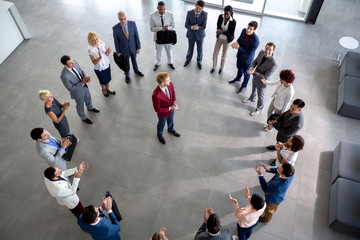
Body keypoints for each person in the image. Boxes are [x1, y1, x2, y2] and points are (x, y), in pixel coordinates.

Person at [60, 55, 100, 124]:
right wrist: (82, 82)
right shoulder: (64, 76)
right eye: (70, 63)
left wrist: (85, 77)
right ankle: (83, 117)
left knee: (88, 97)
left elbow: (80, 70)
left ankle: (90, 107)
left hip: (84, 86)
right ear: (65, 65)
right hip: (77, 92)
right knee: (80, 105)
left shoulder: (74, 62)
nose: (73, 63)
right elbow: (70, 88)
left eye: (72, 61)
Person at [242, 42, 277, 116]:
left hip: (262, 81)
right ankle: (252, 98)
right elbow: (255, 61)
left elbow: (265, 77)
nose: (267, 51)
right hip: (254, 75)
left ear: (273, 51)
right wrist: (252, 66)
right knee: (254, 88)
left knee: (261, 96)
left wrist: (254, 72)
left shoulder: (273, 64)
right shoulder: (261, 52)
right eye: (266, 49)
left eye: (270, 50)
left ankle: (259, 108)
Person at [113, 11, 144, 84]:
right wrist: (118, 51)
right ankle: (127, 74)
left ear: (126, 18)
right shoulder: (115, 28)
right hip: (124, 49)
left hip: (133, 47)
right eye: (121, 19)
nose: (123, 21)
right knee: (126, 62)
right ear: (118, 19)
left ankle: (136, 70)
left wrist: (138, 47)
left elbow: (136, 36)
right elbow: (116, 41)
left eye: (124, 19)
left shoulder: (132, 24)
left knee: (134, 59)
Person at [229, 21, 260, 93]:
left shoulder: (256, 41)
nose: (248, 30)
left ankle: (244, 85)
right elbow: (239, 39)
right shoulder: (243, 31)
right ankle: (238, 78)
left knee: (246, 74)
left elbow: (249, 52)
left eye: (250, 29)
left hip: (247, 60)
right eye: (248, 28)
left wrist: (238, 47)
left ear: (254, 30)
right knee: (239, 68)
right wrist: (236, 43)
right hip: (239, 55)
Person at [152, 72, 180, 145]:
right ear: (162, 83)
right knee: (162, 123)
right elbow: (157, 109)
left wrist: (174, 102)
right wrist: (170, 107)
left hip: (171, 108)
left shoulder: (170, 84)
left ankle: (171, 129)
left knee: (171, 120)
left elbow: (173, 92)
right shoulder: (156, 95)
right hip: (163, 113)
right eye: (168, 80)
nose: (170, 81)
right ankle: (159, 134)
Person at [87, 32, 115, 97]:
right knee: (102, 81)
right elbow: (94, 62)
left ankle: (107, 88)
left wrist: (108, 51)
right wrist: (100, 57)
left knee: (108, 79)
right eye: (93, 40)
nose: (96, 41)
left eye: (96, 39)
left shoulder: (102, 43)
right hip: (99, 68)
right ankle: (104, 89)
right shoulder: (90, 50)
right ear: (90, 40)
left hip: (106, 65)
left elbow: (106, 54)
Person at [150, 1, 175, 71]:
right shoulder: (152, 15)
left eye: (164, 9)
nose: (163, 11)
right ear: (157, 8)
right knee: (158, 52)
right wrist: (161, 28)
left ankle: (170, 62)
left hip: (168, 37)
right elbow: (151, 28)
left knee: (169, 51)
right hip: (158, 38)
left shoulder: (170, 14)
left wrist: (167, 28)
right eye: (161, 9)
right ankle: (158, 63)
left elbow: (173, 26)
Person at [211, 5, 236, 74]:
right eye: (224, 13)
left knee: (223, 55)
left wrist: (223, 32)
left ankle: (221, 68)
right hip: (219, 38)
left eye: (227, 14)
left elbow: (231, 34)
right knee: (215, 53)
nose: (225, 15)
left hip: (227, 40)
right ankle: (213, 67)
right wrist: (218, 30)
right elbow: (218, 25)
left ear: (231, 13)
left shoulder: (233, 22)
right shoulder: (220, 16)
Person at [184, 0, 208, 70]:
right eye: (197, 8)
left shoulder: (205, 14)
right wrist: (192, 27)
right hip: (191, 34)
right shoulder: (189, 13)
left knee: (200, 49)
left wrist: (198, 28)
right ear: (195, 5)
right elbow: (186, 25)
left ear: (202, 8)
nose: (198, 10)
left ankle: (199, 61)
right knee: (190, 48)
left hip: (200, 35)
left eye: (200, 9)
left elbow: (204, 26)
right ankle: (188, 59)